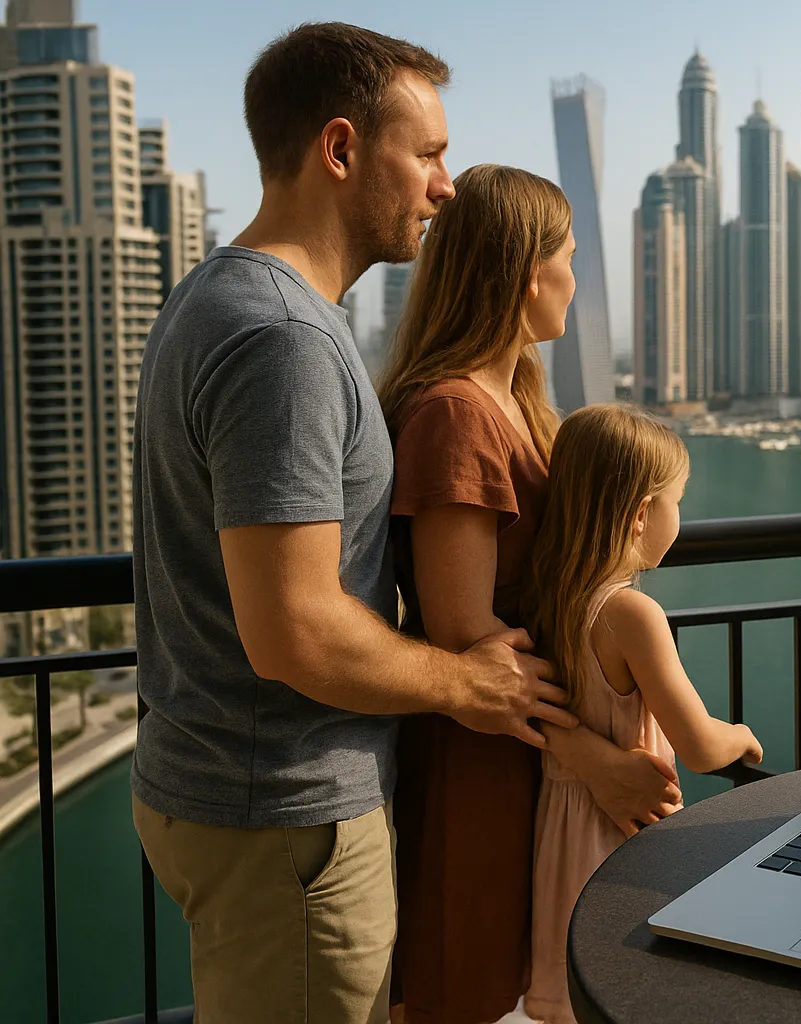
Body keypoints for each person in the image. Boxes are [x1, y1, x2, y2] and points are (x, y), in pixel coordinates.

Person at [128, 24, 581, 1024]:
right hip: (285, 820)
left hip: (223, 795)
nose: (446, 185)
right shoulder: (283, 340)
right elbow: (292, 626)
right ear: (340, 151)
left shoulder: (218, 296)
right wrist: (461, 679)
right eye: (425, 154)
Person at [378, 166, 682, 1024]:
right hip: (485, 763)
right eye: (571, 259)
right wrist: (593, 758)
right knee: (467, 990)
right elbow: (474, 644)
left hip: (532, 763)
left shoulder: (516, 402)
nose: (578, 281)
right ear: (527, 275)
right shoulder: (455, 416)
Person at [520, 405, 764, 1024]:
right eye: (678, 500)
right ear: (639, 516)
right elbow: (702, 747)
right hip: (621, 832)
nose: (681, 517)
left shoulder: (547, 595)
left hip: (560, 824)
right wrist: (740, 736)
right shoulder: (632, 616)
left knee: (573, 989)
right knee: (627, 980)